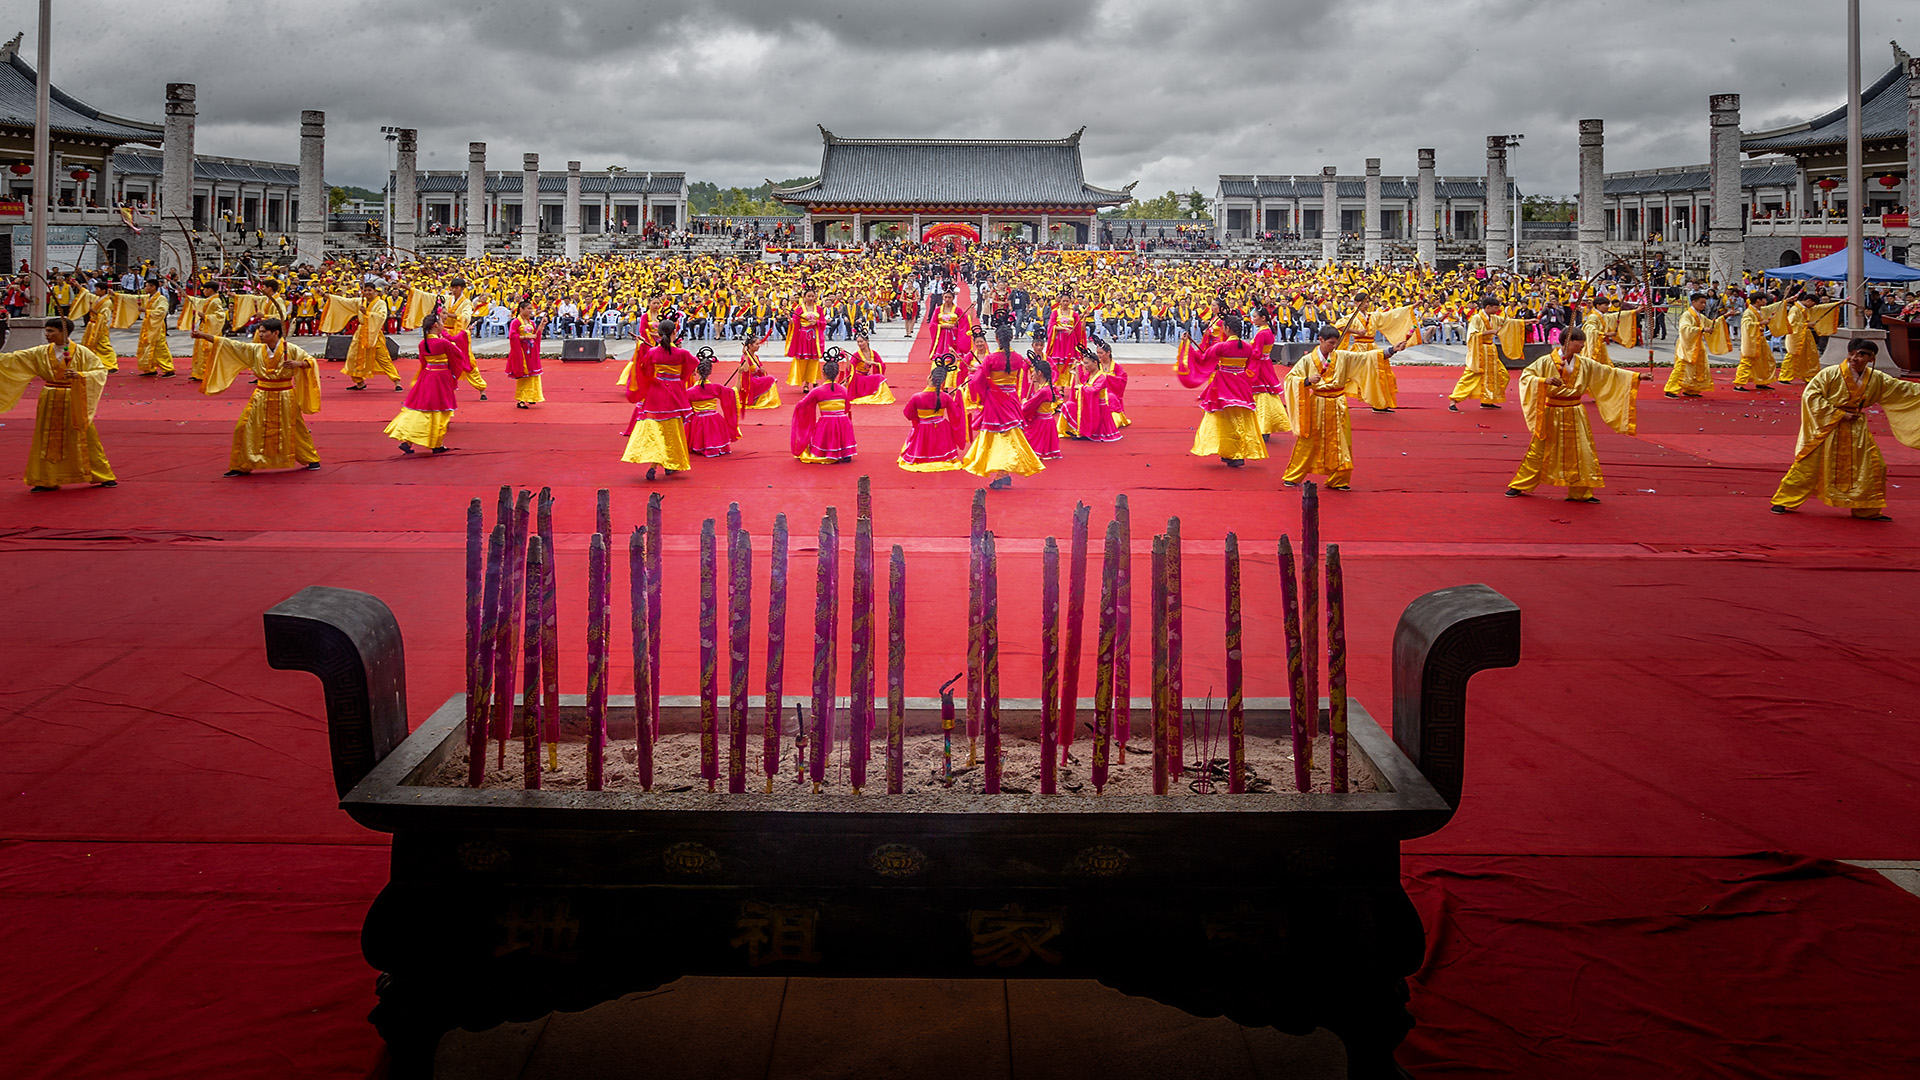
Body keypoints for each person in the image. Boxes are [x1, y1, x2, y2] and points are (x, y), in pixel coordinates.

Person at [1769, 339, 1920, 521]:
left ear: (1872, 358)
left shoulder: (1876, 378)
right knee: (1808, 464)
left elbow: (1904, 389)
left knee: (1873, 466)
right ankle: (1784, 500)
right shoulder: (1830, 374)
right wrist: (1839, 414)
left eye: (1862, 354)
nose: (1855, 358)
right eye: (1853, 353)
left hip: (1856, 428)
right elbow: (1811, 395)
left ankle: (1867, 509)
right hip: (1828, 427)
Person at [1504, 326, 1647, 503]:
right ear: (1568, 342)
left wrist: (1637, 377)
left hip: (1575, 411)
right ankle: (1520, 484)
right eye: (1579, 341)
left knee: (1583, 451)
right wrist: (1544, 380)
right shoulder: (1545, 361)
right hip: (1552, 411)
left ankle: (1581, 491)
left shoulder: (1584, 363)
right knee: (1539, 450)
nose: (1582, 345)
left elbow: (1608, 372)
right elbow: (1526, 377)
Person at [190, 317, 322, 476]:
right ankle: (241, 464)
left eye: (264, 332)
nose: (260, 334)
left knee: (294, 427)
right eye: (260, 331)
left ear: (275, 333)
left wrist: (298, 364)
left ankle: (310, 458)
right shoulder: (256, 350)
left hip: (285, 394)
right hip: (261, 394)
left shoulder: (291, 348)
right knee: (244, 427)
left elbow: (311, 361)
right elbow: (230, 345)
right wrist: (204, 336)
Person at [0, 316, 116, 490]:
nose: (47, 334)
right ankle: (47, 478)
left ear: (64, 332)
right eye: (46, 331)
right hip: (49, 397)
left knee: (84, 435)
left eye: (51, 331)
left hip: (74, 397)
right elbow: (14, 359)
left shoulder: (83, 352)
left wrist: (80, 375)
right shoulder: (40, 351)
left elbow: (99, 371)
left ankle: (100, 474)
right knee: (46, 438)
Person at [1281, 324, 1402, 490]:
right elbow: (1290, 379)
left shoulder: (1343, 357)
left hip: (1338, 404)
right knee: (1308, 441)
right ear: (1320, 340)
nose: (1333, 347)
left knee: (1342, 442)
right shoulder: (1308, 360)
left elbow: (1366, 358)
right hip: (1318, 404)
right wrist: (1307, 380)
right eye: (1330, 343)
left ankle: (1339, 479)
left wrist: (1391, 350)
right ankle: (1293, 476)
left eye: (1335, 343)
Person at [962, 321, 1045, 490]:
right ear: (1012, 338)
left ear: (996, 339)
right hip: (1011, 399)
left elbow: (977, 381)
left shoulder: (991, 358)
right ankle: (1004, 472)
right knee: (1010, 434)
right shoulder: (1018, 358)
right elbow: (1021, 379)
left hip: (994, 400)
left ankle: (1001, 474)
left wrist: (980, 390)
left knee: (997, 436)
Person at [1179, 312, 1266, 468]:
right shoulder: (1247, 347)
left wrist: (1187, 345)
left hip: (1224, 384)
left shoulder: (1221, 346)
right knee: (1240, 419)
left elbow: (1202, 358)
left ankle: (1233, 453)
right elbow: (1249, 366)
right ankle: (1233, 452)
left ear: (1227, 329)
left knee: (1225, 420)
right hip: (1242, 384)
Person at [383, 314, 472, 454]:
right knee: (440, 411)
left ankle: (408, 440)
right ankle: (436, 444)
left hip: (427, 376)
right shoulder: (443, 343)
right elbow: (458, 355)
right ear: (436, 325)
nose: (443, 324)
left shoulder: (422, 344)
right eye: (441, 322)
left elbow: (423, 362)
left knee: (421, 409)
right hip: (441, 377)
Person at [620, 314, 696, 480]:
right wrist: (677, 379)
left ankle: (656, 464)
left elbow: (646, 371)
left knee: (655, 428)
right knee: (673, 429)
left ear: (659, 334)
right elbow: (692, 366)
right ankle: (669, 463)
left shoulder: (653, 352)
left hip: (656, 392)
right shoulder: (682, 353)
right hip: (675, 393)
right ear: (675, 332)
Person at [1447, 297, 1530, 410]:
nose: (1497, 310)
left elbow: (1508, 322)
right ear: (1488, 307)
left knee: (1502, 375)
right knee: (1471, 376)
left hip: (1491, 350)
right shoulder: (1476, 318)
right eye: (1495, 308)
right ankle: (1454, 400)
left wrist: (1527, 321)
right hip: (1479, 351)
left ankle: (1488, 399)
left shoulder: (1494, 318)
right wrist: (1490, 332)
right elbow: (1472, 335)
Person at [324, 277, 404, 392]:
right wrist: (327, 296)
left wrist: (367, 313)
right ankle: (359, 382)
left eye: (369, 290)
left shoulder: (380, 303)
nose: (367, 292)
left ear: (375, 291)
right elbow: (344, 302)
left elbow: (381, 317)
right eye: (365, 290)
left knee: (383, 358)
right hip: (360, 334)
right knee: (353, 358)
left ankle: (396, 381)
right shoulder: (360, 301)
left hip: (374, 333)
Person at [897, 359, 967, 472]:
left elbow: (908, 414)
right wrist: (959, 394)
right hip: (942, 428)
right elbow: (956, 413)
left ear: (930, 377)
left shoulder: (917, 397)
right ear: (943, 381)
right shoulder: (945, 397)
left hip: (923, 428)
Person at [789, 352, 858, 464]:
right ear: (836, 374)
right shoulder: (843, 390)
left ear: (823, 373)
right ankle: (844, 451)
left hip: (827, 423)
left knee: (816, 436)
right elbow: (846, 409)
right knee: (842, 420)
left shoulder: (818, 390)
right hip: (843, 423)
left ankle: (828, 451)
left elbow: (801, 405)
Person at [1663, 292, 1728, 398]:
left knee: (1697, 368)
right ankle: (1671, 390)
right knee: (1681, 367)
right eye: (1701, 303)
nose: (1703, 305)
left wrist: (1724, 317)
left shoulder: (1700, 316)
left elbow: (1711, 324)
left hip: (1697, 343)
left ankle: (1691, 389)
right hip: (1687, 344)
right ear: (1693, 302)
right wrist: (1702, 329)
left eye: (1704, 303)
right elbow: (1684, 328)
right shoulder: (1687, 315)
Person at [686, 354, 741, 458]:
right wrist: (740, 374)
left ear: (696, 371)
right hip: (715, 420)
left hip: (698, 421)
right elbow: (734, 392)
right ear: (710, 372)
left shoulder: (689, 391)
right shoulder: (716, 388)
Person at [1071, 344, 1124, 443]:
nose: (1085, 366)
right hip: (1092, 404)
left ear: (1095, 363)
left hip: (1099, 407)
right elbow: (1078, 385)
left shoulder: (1101, 377)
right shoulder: (1090, 375)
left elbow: (1094, 389)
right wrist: (1077, 373)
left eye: (1087, 363)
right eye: (1084, 363)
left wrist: (1082, 387)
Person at [1022, 355, 1067, 461]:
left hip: (1040, 423)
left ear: (1040, 373)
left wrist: (1024, 402)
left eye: (1034, 372)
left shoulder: (1043, 391)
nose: (1032, 374)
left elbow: (1028, 406)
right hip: (1047, 421)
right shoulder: (1048, 387)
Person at [1732, 289, 1777, 391]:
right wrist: (1760, 323)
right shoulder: (1749, 312)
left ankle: (1761, 381)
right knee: (1747, 361)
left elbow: (1772, 308)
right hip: (1751, 340)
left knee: (1765, 360)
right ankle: (1739, 383)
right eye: (1764, 300)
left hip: (1760, 339)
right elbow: (1746, 325)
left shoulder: (1759, 310)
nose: (1766, 302)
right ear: (1758, 301)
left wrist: (1786, 301)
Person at [185, 286, 229, 382]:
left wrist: (206, 316)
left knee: (207, 350)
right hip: (205, 326)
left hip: (210, 328)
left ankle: (206, 373)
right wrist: (188, 297)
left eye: (205, 289)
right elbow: (199, 302)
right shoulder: (210, 300)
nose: (203, 291)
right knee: (200, 350)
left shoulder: (216, 301)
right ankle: (199, 373)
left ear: (211, 289)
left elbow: (220, 316)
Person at [505, 300, 544, 409]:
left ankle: (531, 396)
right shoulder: (515, 322)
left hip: (531, 351)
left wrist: (541, 327)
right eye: (528, 308)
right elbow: (512, 336)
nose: (531, 311)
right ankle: (521, 399)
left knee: (533, 374)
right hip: (521, 351)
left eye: (531, 308)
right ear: (521, 309)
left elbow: (535, 335)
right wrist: (526, 337)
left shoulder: (531, 322)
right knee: (524, 375)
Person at [785, 287, 826, 386]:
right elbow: (795, 323)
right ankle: (805, 383)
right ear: (804, 296)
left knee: (813, 359)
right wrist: (789, 318)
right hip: (803, 337)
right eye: (809, 296)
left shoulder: (819, 308)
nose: (811, 298)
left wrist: (816, 322)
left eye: (812, 296)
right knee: (803, 359)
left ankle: (811, 380)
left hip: (814, 337)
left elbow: (823, 322)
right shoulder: (799, 309)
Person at [134, 277, 174, 377]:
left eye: (147, 286)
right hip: (148, 326)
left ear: (153, 287)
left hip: (157, 326)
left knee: (160, 347)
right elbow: (132, 298)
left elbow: (162, 312)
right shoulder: (147, 298)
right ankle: (149, 368)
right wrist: (116, 295)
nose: (145, 288)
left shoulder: (161, 299)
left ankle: (168, 369)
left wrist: (146, 311)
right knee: (146, 347)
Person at [734, 329, 781, 411]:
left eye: (759, 344)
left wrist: (762, 371)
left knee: (770, 378)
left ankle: (763, 400)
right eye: (757, 344)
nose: (759, 346)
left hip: (755, 378)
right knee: (770, 379)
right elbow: (745, 370)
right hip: (749, 380)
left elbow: (761, 370)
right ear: (750, 345)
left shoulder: (756, 357)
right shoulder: (745, 357)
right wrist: (745, 355)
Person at [846, 329, 895, 404]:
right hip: (858, 378)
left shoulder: (873, 353)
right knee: (879, 377)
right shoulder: (856, 355)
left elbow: (882, 365)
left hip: (866, 376)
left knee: (880, 377)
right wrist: (846, 358)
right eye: (858, 342)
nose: (860, 344)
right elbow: (850, 369)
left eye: (861, 341)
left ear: (867, 341)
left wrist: (874, 363)